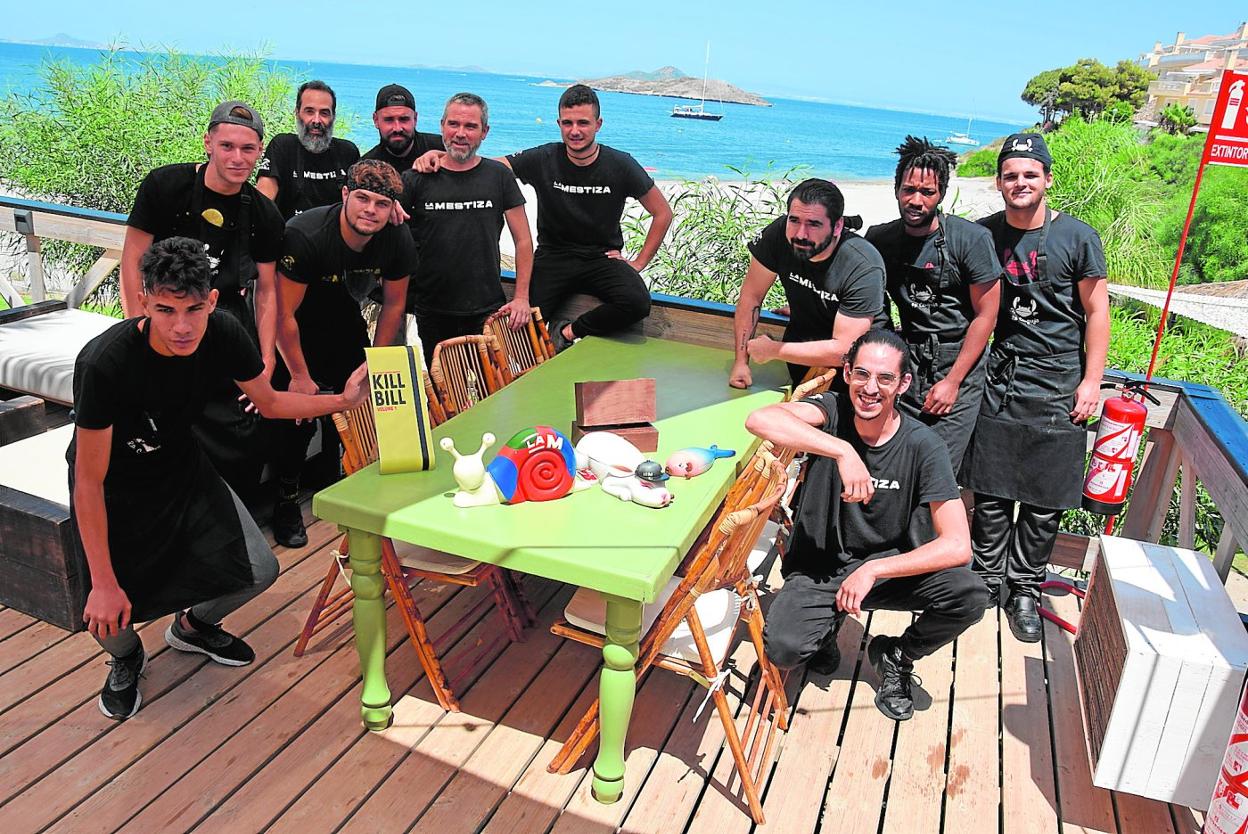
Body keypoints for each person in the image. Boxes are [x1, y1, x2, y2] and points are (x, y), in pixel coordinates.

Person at [70, 236, 369, 720]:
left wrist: (343, 401)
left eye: (193, 309)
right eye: (166, 310)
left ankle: (192, 627)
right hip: (114, 484)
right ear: (143, 301)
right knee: (105, 610)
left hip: (181, 467)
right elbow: (88, 480)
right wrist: (103, 582)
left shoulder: (225, 332)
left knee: (260, 569)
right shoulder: (106, 362)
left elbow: (270, 402)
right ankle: (127, 658)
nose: (181, 326)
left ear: (211, 300)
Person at [745, 329, 988, 721]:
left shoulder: (923, 445)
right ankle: (824, 630)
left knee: (970, 593)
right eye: (861, 374)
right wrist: (842, 451)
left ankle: (897, 655)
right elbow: (760, 419)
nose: (870, 388)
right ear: (847, 374)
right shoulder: (832, 412)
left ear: (903, 384)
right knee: (785, 648)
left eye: (885, 378)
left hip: (886, 570)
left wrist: (874, 570)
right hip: (820, 567)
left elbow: (959, 545)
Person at [963, 133, 1109, 642]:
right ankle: (985, 581)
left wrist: (1091, 381)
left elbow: (1097, 312)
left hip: (1059, 378)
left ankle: (1024, 589)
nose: (1020, 183)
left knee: (1044, 500)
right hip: (1001, 375)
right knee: (991, 490)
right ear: (998, 182)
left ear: (1047, 179)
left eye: (1030, 174)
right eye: (1010, 175)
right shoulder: (983, 235)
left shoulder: (1078, 237)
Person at [416, 84, 672, 351]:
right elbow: (486, 167)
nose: (575, 131)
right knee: (519, 332)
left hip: (601, 258)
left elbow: (662, 212)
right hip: (553, 258)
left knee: (636, 302)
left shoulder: (620, 164)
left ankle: (567, 332)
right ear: (559, 124)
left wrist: (639, 262)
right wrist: (442, 156)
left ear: (598, 124)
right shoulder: (544, 157)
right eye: (567, 123)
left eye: (583, 123)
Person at [119, 100, 285, 498]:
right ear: (208, 142)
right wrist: (137, 329)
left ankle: (231, 515)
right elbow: (132, 259)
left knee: (241, 430)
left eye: (247, 149)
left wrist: (266, 359)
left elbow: (267, 291)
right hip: (162, 319)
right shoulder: (164, 186)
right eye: (227, 146)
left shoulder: (264, 214)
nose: (237, 158)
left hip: (225, 320)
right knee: (157, 423)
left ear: (259, 152)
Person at [269, 159, 416, 547]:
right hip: (294, 328)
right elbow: (282, 315)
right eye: (363, 199)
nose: (371, 210)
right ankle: (285, 499)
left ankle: (332, 474)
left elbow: (394, 304)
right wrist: (299, 376)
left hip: (344, 318)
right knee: (297, 417)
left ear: (392, 209)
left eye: (381, 204)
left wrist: (376, 362)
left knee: (354, 401)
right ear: (345, 194)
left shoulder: (396, 237)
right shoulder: (306, 234)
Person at [865, 136, 1001, 471]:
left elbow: (986, 315)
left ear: (941, 194)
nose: (916, 200)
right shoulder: (880, 239)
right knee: (891, 462)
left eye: (927, 192)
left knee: (936, 469)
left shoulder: (970, 239)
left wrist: (952, 381)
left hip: (958, 362)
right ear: (896, 189)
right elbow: (863, 297)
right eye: (908, 190)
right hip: (905, 358)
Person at [400, 92, 533, 366]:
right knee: (444, 387)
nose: (460, 133)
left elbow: (523, 240)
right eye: (453, 124)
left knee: (493, 386)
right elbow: (390, 232)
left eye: (470, 126)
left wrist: (521, 297)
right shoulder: (416, 179)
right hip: (433, 309)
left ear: (484, 132)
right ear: (442, 126)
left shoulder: (499, 176)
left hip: (488, 309)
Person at [731, 178, 884, 388]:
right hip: (801, 360)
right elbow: (751, 296)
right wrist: (741, 362)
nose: (800, 234)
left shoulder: (862, 264)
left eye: (814, 224)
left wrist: (772, 350)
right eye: (794, 220)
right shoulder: (778, 235)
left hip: (856, 376)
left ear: (837, 226)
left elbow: (845, 350)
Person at [257, 80, 361, 220]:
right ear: (297, 113)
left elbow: (360, 202)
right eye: (309, 111)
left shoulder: (347, 152)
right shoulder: (283, 147)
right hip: (288, 232)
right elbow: (262, 205)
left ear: (333, 117)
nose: (316, 121)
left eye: (324, 113)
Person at [362, 83, 445, 175]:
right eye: (389, 120)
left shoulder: (442, 147)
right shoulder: (366, 168)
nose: (397, 128)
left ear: (415, 119)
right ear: (376, 120)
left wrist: (444, 156)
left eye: (404, 119)